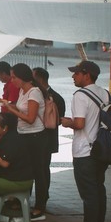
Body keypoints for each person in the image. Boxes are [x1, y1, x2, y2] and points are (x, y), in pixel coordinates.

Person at [60, 61, 109, 222]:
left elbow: (79, 124)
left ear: (86, 75)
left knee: (89, 193)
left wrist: (66, 122)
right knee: (98, 190)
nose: (73, 76)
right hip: (102, 150)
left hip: (85, 150)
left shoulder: (80, 95)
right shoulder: (105, 92)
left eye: (76, 73)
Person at [2, 64, 48, 221]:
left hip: (35, 136)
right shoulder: (23, 91)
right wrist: (7, 104)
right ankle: (21, 200)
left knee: (37, 171)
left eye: (14, 77)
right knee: (24, 168)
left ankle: (40, 206)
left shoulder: (34, 92)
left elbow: (30, 118)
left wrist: (11, 110)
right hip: (23, 134)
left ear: (22, 77)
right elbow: (22, 108)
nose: (12, 80)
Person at [33, 67, 66, 204]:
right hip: (35, 139)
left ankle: (42, 200)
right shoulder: (34, 94)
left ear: (40, 79)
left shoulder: (55, 97)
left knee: (43, 170)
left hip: (47, 139)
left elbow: (58, 120)